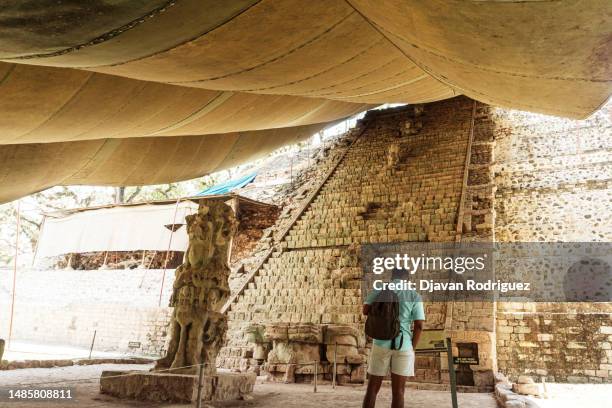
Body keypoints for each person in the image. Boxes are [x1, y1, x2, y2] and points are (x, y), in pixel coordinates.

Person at [362, 268, 425, 408]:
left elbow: (365, 310)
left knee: (372, 389)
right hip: (404, 345)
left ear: (392, 277)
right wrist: (412, 348)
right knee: (399, 392)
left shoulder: (380, 289)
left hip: (380, 343)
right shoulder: (414, 295)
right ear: (407, 279)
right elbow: (419, 325)